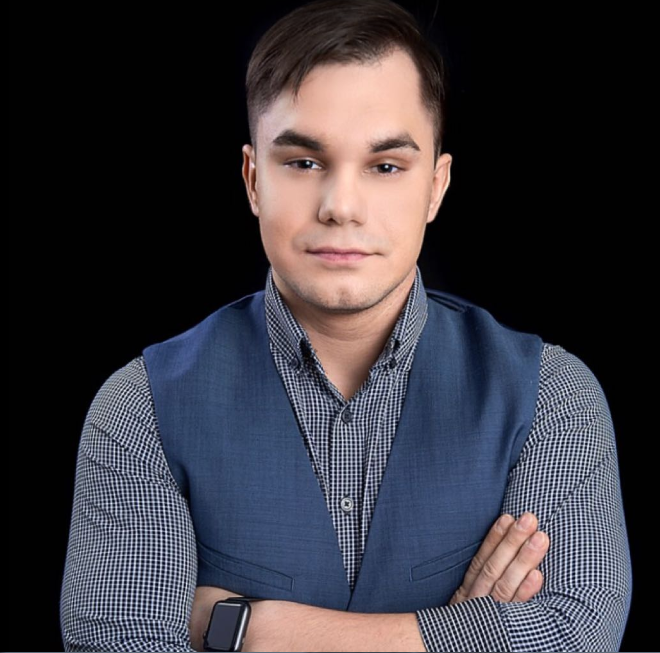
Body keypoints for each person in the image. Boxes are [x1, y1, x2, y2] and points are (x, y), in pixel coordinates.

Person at [59, 0, 632, 651]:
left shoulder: (551, 396)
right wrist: (465, 633)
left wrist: (249, 627)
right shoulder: (141, 408)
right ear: (253, 179)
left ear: (436, 186)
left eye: (385, 166)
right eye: (304, 162)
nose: (341, 206)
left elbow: (574, 633)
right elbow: (117, 639)